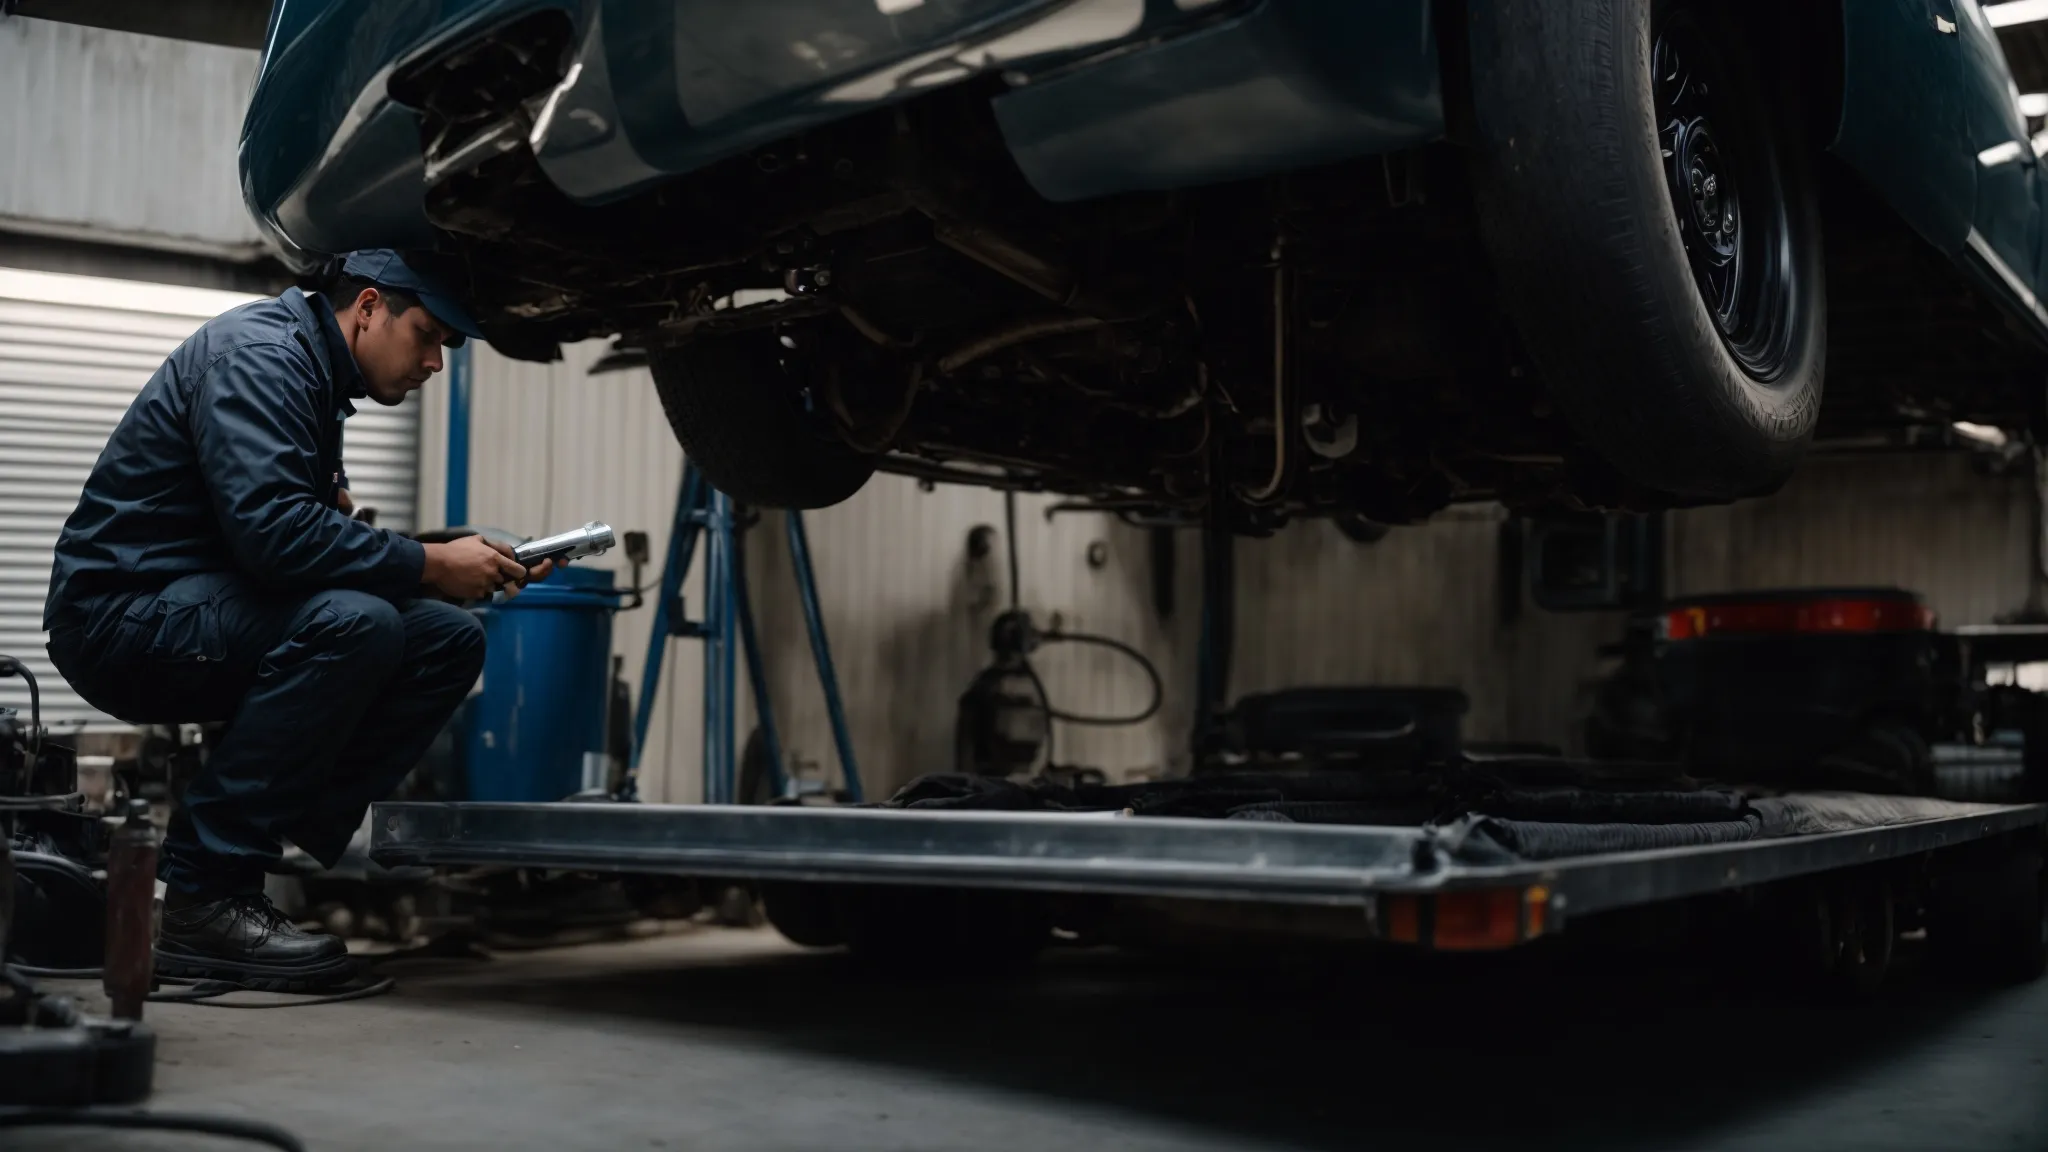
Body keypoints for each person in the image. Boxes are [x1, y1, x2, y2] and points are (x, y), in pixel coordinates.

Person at [43, 250, 550, 989]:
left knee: (445, 638)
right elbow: (278, 540)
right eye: (429, 335)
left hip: (201, 603)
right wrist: (432, 567)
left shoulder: (317, 379)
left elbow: (305, 545)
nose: (436, 363)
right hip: (120, 617)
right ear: (369, 307)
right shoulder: (263, 355)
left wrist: (457, 555)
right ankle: (205, 892)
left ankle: (260, 835)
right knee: (360, 623)